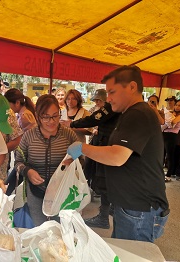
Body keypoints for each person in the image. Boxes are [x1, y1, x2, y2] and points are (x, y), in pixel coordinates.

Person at [67, 65, 169, 243]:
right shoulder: (129, 113)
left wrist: (82, 148)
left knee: (133, 254)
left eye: (112, 92)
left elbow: (116, 156)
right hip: (131, 204)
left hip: (139, 206)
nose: (109, 98)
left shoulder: (138, 114)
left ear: (131, 87)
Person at [14, 94, 78, 226]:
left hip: (62, 193)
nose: (52, 121)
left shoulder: (69, 135)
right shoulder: (28, 136)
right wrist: (27, 171)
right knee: (38, 230)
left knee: (60, 230)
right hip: (36, 191)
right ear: (37, 116)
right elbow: (18, 162)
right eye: (46, 117)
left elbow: (81, 159)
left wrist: (72, 163)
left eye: (55, 115)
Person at [67, 89, 120, 229]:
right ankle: (110, 210)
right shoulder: (117, 106)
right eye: (95, 100)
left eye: (99, 100)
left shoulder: (111, 106)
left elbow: (93, 119)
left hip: (106, 147)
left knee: (104, 181)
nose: (97, 103)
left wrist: (71, 124)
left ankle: (104, 216)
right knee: (104, 180)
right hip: (106, 145)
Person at [4, 88, 37, 195]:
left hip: (27, 153)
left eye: (8, 104)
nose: (7, 108)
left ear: (17, 103)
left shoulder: (24, 115)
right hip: (26, 152)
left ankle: (4, 196)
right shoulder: (24, 113)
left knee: (14, 179)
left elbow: (22, 136)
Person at [162, 99, 180, 182]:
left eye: (179, 105)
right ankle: (160, 173)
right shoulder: (171, 113)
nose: (177, 107)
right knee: (161, 154)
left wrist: (168, 119)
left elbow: (173, 122)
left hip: (172, 136)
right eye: (176, 105)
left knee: (170, 156)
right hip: (163, 134)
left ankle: (169, 175)